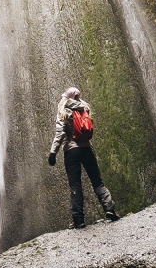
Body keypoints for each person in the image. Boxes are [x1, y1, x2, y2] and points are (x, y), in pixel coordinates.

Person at [48, 87, 120, 228]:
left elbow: (60, 133)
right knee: (97, 181)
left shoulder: (64, 109)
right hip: (86, 148)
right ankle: (109, 209)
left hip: (71, 151)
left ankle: (78, 220)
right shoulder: (84, 108)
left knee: (75, 185)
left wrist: (53, 153)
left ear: (66, 97)